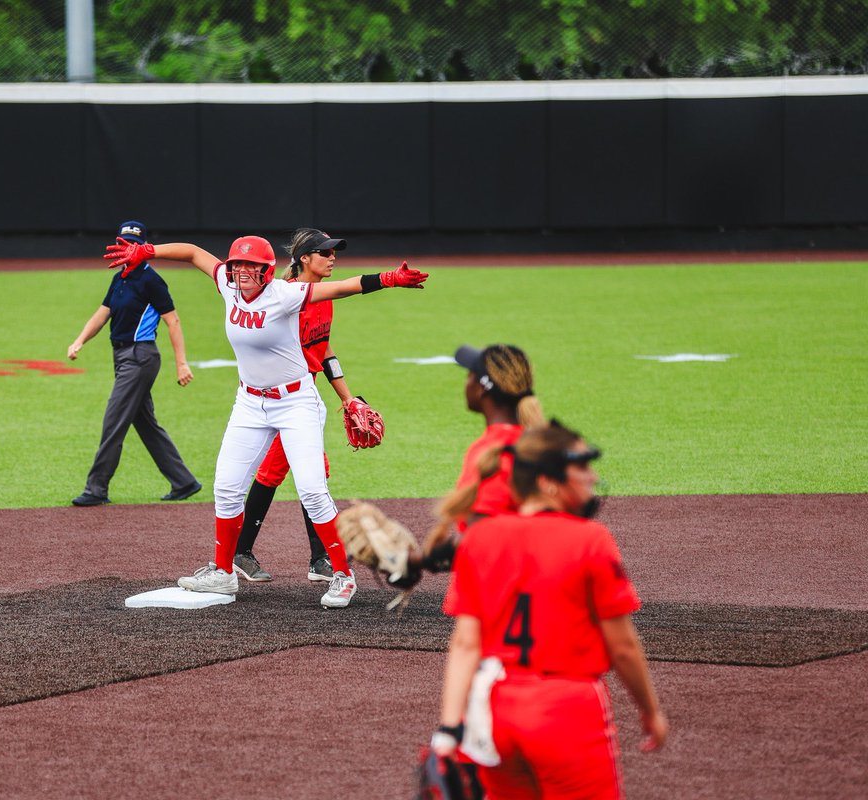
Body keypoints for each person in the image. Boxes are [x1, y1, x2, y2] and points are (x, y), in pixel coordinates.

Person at [106, 233, 428, 608]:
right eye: (237, 264)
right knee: (226, 487)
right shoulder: (227, 282)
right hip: (249, 402)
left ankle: (342, 574)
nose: (241, 271)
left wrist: (388, 279)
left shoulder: (284, 294)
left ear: (266, 270)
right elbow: (194, 253)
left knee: (311, 488)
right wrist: (148, 250)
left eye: (250, 266)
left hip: (296, 402)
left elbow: (344, 287)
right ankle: (224, 574)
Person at [431, 421, 669, 799]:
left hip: (495, 711)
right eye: (582, 467)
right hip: (568, 711)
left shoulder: (479, 538)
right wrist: (650, 709)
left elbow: (464, 645)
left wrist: (448, 728)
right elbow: (623, 648)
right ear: (547, 482)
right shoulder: (591, 539)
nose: (592, 477)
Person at [231, 228, 361, 585]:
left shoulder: (323, 298)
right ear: (305, 258)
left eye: (335, 252)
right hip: (280, 403)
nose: (333, 257)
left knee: (306, 474)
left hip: (303, 402)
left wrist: (348, 397)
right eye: (325, 252)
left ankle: (310, 557)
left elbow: (325, 349)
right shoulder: (289, 300)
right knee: (292, 473)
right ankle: (255, 554)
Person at [67, 220, 202, 507]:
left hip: (140, 359)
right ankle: (184, 481)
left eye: (133, 243)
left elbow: (172, 321)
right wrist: (79, 341)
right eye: (123, 242)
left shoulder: (150, 280)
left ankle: (96, 488)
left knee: (114, 421)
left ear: (143, 247)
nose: (127, 248)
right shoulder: (120, 278)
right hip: (123, 358)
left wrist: (182, 364)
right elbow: (101, 314)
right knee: (146, 424)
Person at [423, 343, 546, 570]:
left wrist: (417, 560)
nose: (466, 382)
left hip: (499, 594)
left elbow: (483, 536)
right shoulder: (535, 442)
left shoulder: (495, 449)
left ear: (482, 388)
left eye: (470, 375)